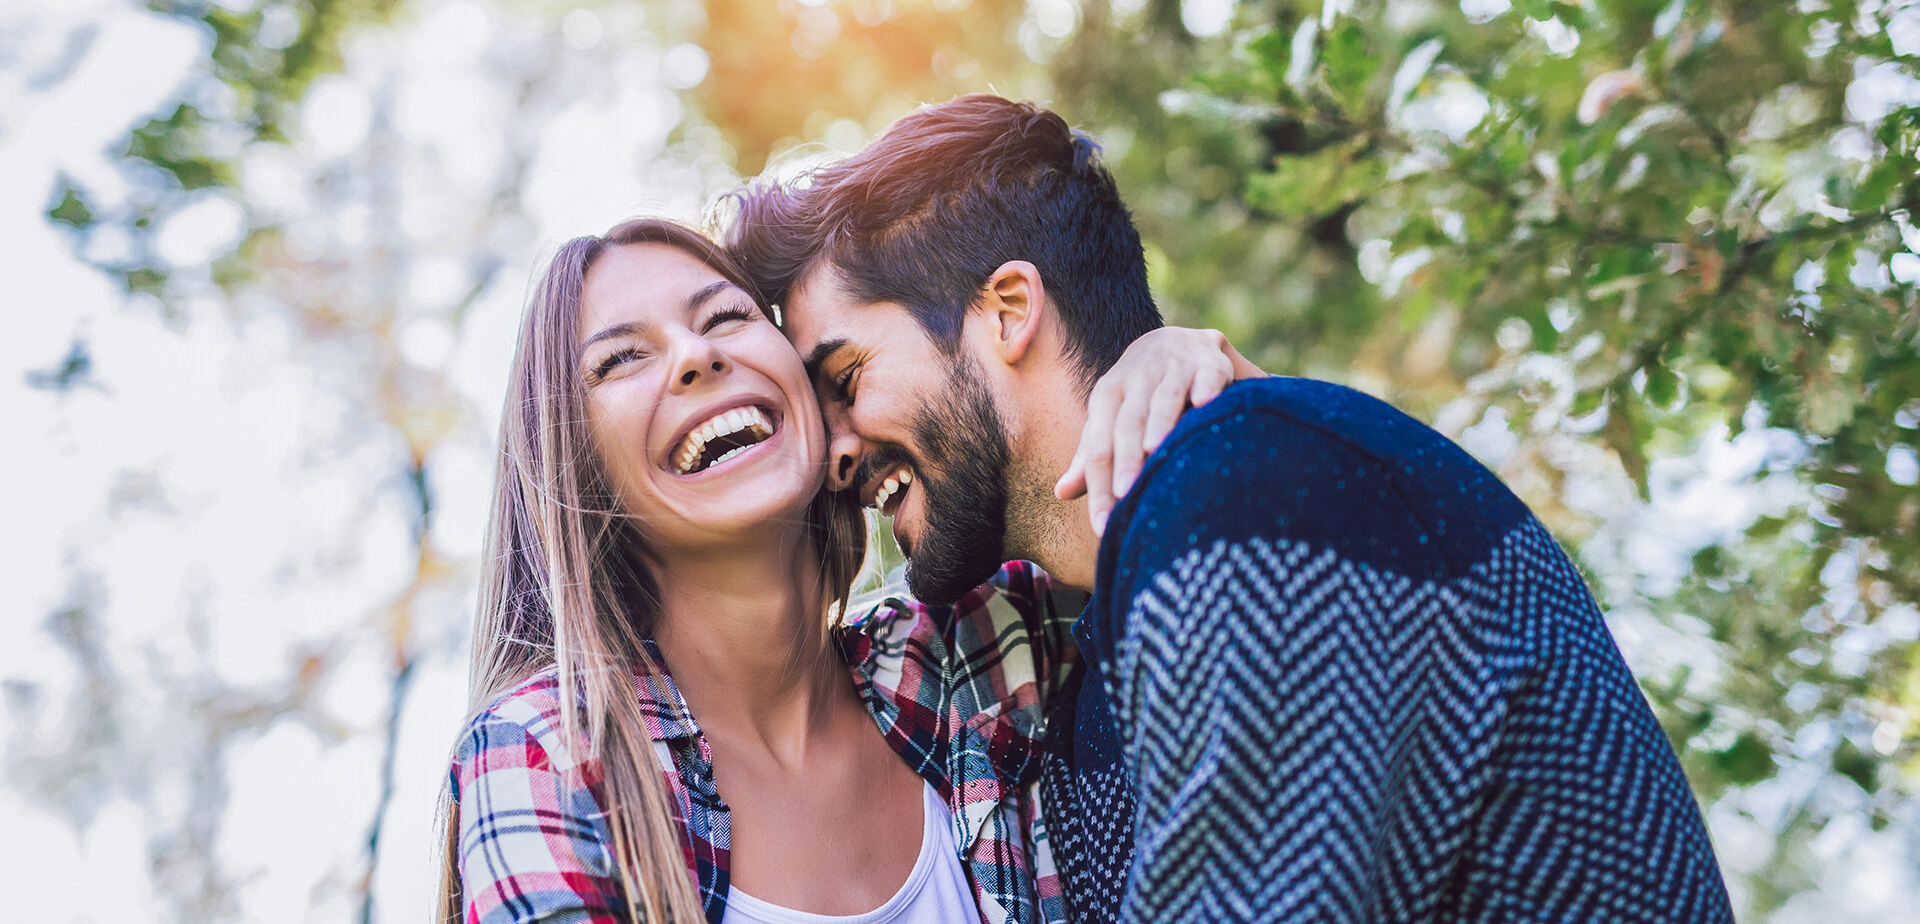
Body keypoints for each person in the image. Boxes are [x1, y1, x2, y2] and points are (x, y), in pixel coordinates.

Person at [727, 94, 1737, 923]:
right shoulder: (1071, 669)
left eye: (847, 377)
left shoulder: (1255, 487)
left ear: (1007, 311)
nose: (836, 456)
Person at [434, 217, 1247, 924]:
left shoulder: (971, 655)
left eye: (725, 317)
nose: (695, 356)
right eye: (618, 362)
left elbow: (1232, 569)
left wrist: (1185, 379)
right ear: (577, 469)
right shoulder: (546, 756)